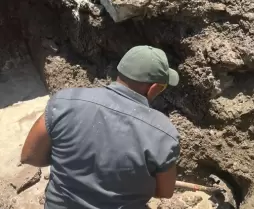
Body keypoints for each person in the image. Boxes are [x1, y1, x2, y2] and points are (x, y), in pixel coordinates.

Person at [20, 45, 181, 209]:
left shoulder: (64, 101)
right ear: (154, 88)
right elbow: (165, 192)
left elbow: (29, 156)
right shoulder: (163, 133)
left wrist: (71, 166)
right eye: (162, 87)